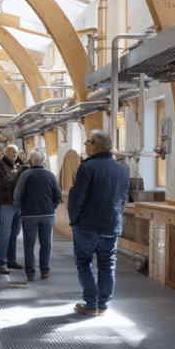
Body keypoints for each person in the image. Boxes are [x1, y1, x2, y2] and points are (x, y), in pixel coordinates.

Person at [68, 131, 129, 315]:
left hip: (87, 225)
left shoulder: (88, 167)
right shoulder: (122, 169)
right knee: (107, 264)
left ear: (95, 145)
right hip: (111, 225)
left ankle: (91, 303)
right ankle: (102, 304)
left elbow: (78, 197)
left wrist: (74, 220)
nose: (86, 145)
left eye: (87, 142)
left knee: (84, 262)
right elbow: (123, 199)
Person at [14, 149, 61, 282]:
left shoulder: (25, 175)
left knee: (29, 245)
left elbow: (17, 194)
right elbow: (57, 195)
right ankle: (45, 271)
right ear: (44, 161)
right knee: (46, 244)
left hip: (29, 215)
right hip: (47, 215)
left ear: (31, 161)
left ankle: (30, 273)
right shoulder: (50, 175)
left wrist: (20, 209)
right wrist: (52, 207)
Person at [0, 144, 22, 274]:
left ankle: (11, 260)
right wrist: (19, 174)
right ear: (5, 153)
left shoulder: (15, 166)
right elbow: (5, 184)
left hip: (16, 204)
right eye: (11, 152)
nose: (14, 155)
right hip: (5, 204)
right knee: (4, 235)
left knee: (14, 234)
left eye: (15, 153)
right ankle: (0, 263)